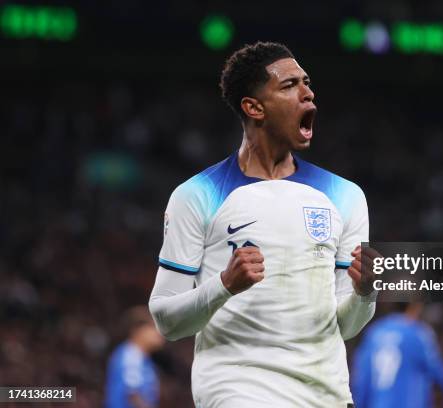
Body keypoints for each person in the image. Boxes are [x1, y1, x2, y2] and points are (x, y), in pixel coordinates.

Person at [148, 41, 376, 408]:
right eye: (289, 86)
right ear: (254, 107)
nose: (308, 93)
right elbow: (166, 320)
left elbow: (345, 326)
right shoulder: (197, 195)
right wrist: (224, 285)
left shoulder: (345, 196)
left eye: (307, 82)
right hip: (240, 391)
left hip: (326, 396)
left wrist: (366, 293)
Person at [351, 303, 443, 408]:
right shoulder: (418, 333)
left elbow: (361, 379)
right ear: (414, 306)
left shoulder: (373, 332)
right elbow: (440, 374)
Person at [105, 306, 165, 408]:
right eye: (154, 327)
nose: (160, 333)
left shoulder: (144, 359)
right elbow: (133, 396)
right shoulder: (131, 355)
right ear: (138, 331)